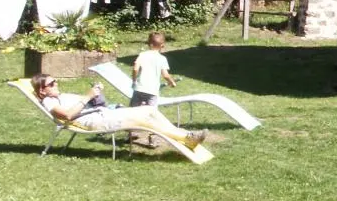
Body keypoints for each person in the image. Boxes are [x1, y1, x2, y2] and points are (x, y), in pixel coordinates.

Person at [31, 74, 206, 149]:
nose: (56, 84)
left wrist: (95, 94)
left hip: (102, 113)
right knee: (145, 116)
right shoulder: (48, 101)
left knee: (149, 110)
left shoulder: (62, 95)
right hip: (95, 120)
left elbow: (86, 101)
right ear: (42, 91)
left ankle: (185, 136)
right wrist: (87, 96)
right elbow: (68, 116)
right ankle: (186, 138)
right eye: (51, 84)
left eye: (55, 81)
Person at [131, 32, 177, 107]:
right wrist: (172, 82)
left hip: (139, 89)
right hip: (152, 91)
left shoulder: (142, 55)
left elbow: (135, 69)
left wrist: (134, 80)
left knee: (133, 112)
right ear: (162, 45)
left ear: (149, 44)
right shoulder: (162, 59)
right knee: (152, 114)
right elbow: (165, 75)